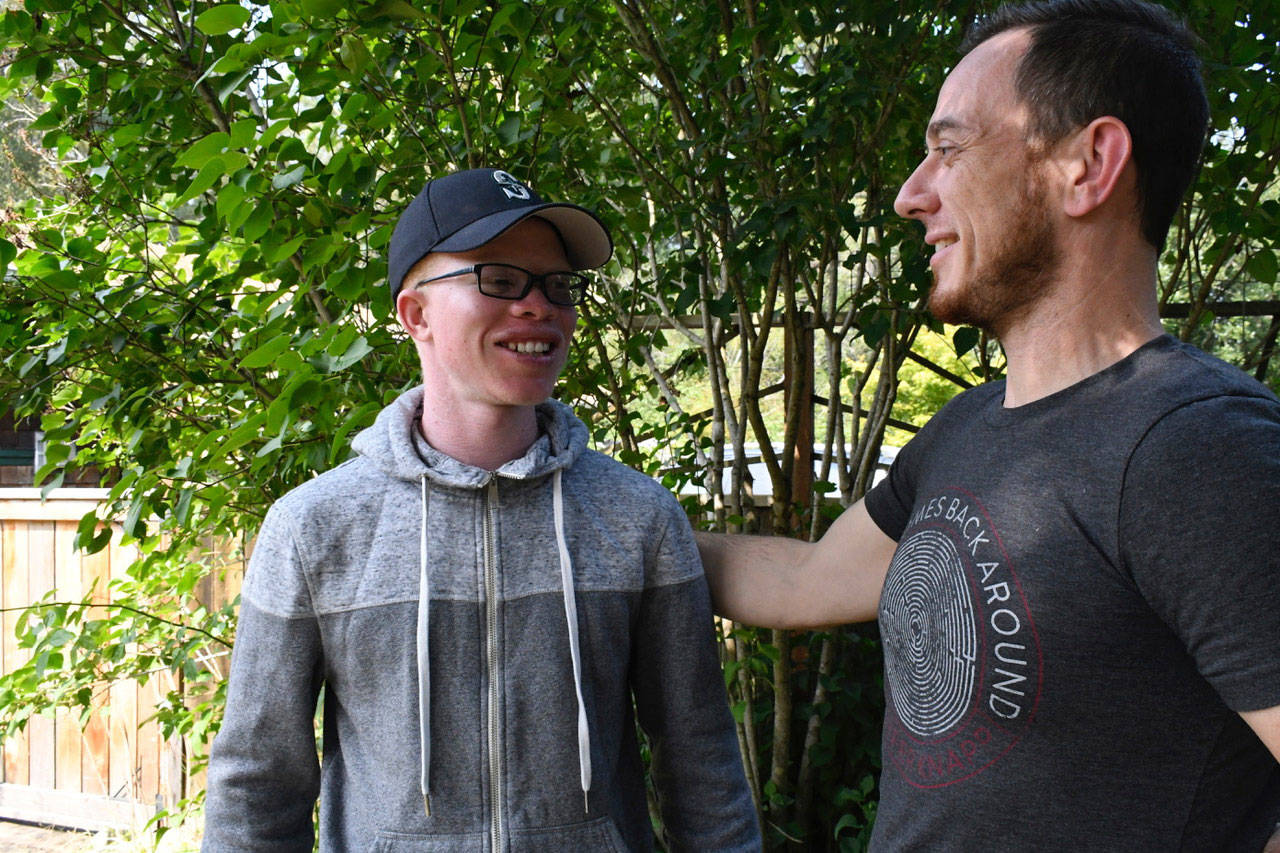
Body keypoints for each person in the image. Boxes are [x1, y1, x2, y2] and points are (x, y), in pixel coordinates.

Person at [697, 0, 1280, 848]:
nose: (910, 195)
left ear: (1088, 164)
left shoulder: (1200, 449)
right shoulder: (971, 425)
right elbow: (803, 580)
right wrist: (605, 523)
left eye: (950, 149)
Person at [202, 167, 761, 851]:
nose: (539, 305)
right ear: (416, 314)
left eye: (558, 285)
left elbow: (702, 763)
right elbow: (257, 784)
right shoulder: (315, 529)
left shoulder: (638, 518)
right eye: (499, 279)